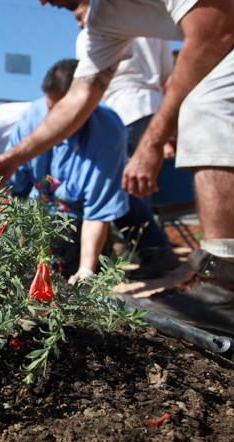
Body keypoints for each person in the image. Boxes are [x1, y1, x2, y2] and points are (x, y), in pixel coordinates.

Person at [0, 0, 234, 335]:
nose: (42, 2)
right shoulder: (100, 23)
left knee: (212, 107)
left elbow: (215, 28)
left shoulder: (104, 128)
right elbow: (78, 98)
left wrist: (152, 144)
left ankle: (219, 290)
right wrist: (12, 158)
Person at [71, 1, 181, 280]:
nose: (80, 23)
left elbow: (88, 81)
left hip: (120, 111)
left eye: (80, 15)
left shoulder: (95, 31)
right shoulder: (151, 24)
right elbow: (166, 71)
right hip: (152, 108)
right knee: (139, 184)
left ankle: (154, 251)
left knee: (117, 186)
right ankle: (151, 250)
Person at [7, 59, 129, 281]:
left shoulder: (108, 133)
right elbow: (12, 184)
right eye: (50, 107)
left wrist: (86, 270)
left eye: (61, 109)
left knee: (67, 275)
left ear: (86, 102)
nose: (53, 117)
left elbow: (97, 210)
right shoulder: (31, 119)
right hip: (35, 212)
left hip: (74, 221)